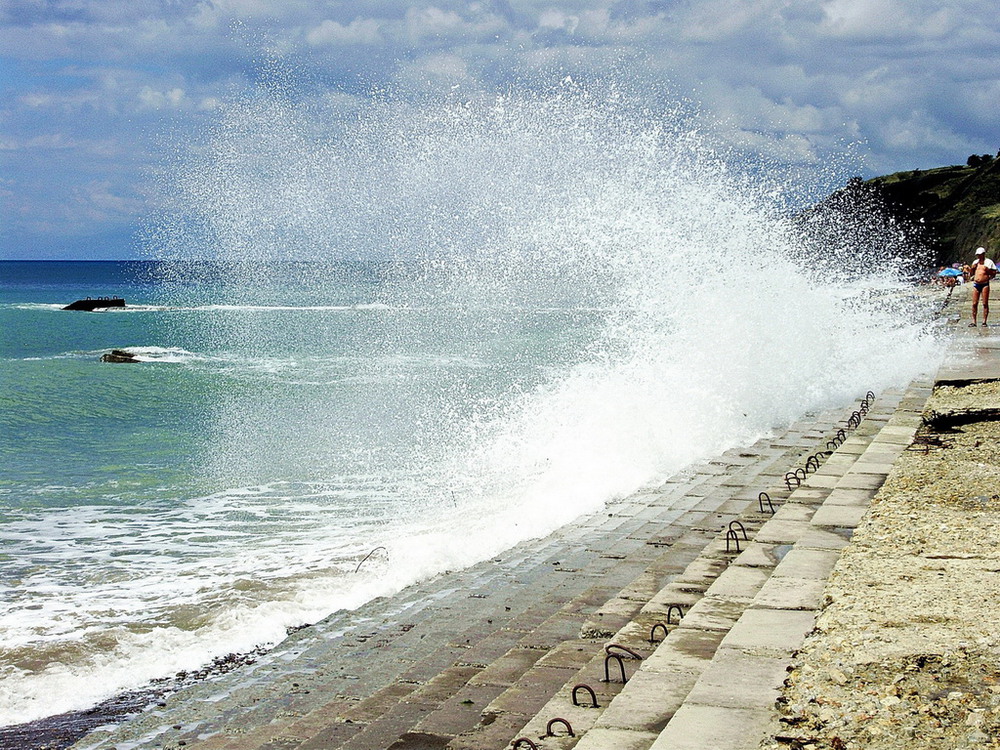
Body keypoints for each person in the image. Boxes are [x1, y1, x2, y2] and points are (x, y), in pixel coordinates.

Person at [969, 247, 998, 326]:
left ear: (983, 254)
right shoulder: (975, 262)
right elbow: (971, 273)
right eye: (978, 255)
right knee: (974, 303)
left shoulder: (989, 262)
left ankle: (984, 321)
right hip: (976, 284)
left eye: (980, 255)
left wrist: (988, 271)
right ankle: (974, 321)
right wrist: (972, 269)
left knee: (985, 303)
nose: (979, 256)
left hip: (985, 284)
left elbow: (994, 273)